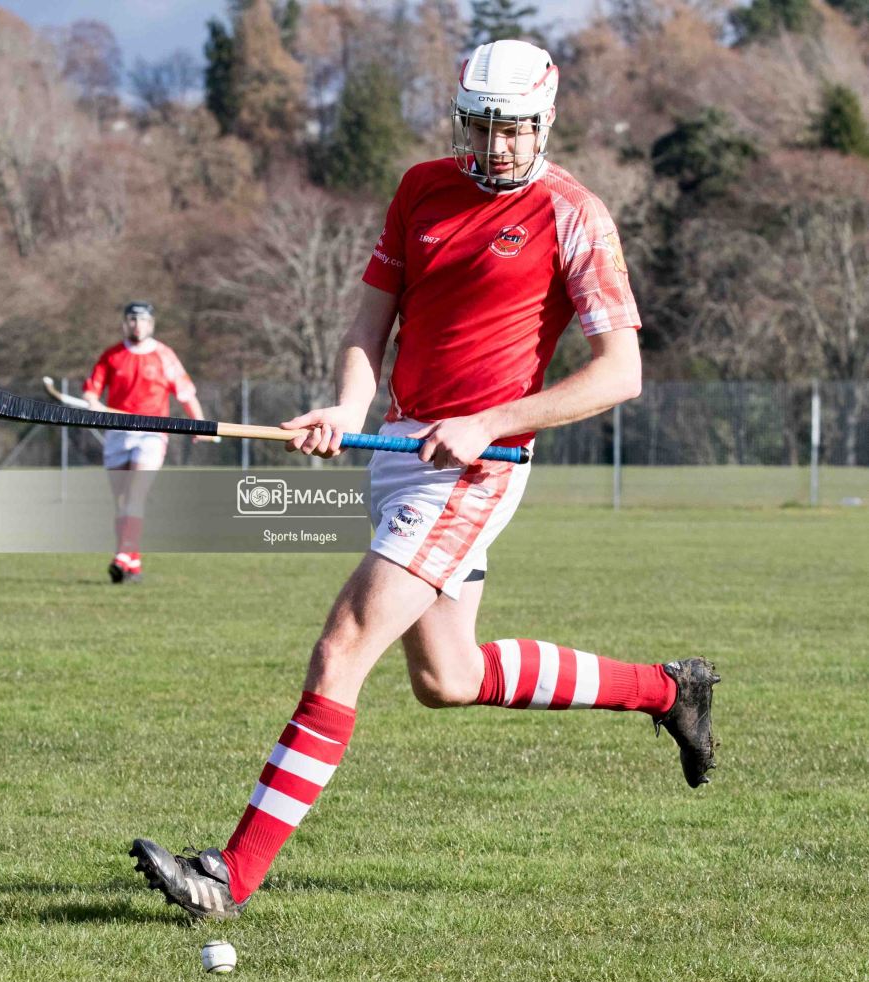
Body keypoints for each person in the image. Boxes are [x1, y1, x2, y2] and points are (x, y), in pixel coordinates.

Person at [129, 40, 720, 918]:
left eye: (512, 130)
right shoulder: (420, 189)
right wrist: (346, 409)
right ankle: (671, 690)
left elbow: (619, 373)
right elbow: (370, 325)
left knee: (343, 644)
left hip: (477, 464)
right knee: (447, 675)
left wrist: (488, 422)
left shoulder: (575, 215)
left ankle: (230, 875)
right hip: (399, 451)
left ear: (545, 124)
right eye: (479, 128)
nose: (495, 147)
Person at [83, 301, 206, 583]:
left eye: (142, 320)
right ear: (125, 323)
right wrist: (92, 402)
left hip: (151, 433)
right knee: (121, 501)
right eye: (132, 319)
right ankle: (132, 561)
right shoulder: (112, 355)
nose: (137, 325)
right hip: (117, 432)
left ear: (151, 324)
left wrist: (199, 423)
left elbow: (186, 393)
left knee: (135, 493)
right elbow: (92, 390)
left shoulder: (164, 355)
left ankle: (122, 556)